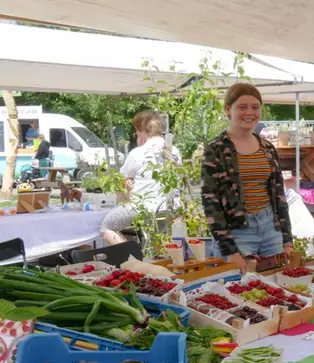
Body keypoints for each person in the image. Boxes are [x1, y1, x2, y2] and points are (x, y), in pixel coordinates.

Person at [201, 83, 292, 273]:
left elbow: (279, 196)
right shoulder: (216, 149)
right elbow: (211, 202)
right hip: (237, 233)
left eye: (255, 107)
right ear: (228, 109)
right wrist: (229, 249)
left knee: (276, 287)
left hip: (270, 229)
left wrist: (287, 239)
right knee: (239, 291)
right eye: (242, 107)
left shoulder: (267, 148)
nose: (249, 112)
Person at [100, 114, 180, 245]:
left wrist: (127, 182)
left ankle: (131, 258)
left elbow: (119, 181)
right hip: (172, 206)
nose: (136, 135)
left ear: (143, 131)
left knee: (106, 226)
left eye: (137, 132)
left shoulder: (138, 152)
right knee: (156, 239)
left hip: (144, 207)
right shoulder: (174, 151)